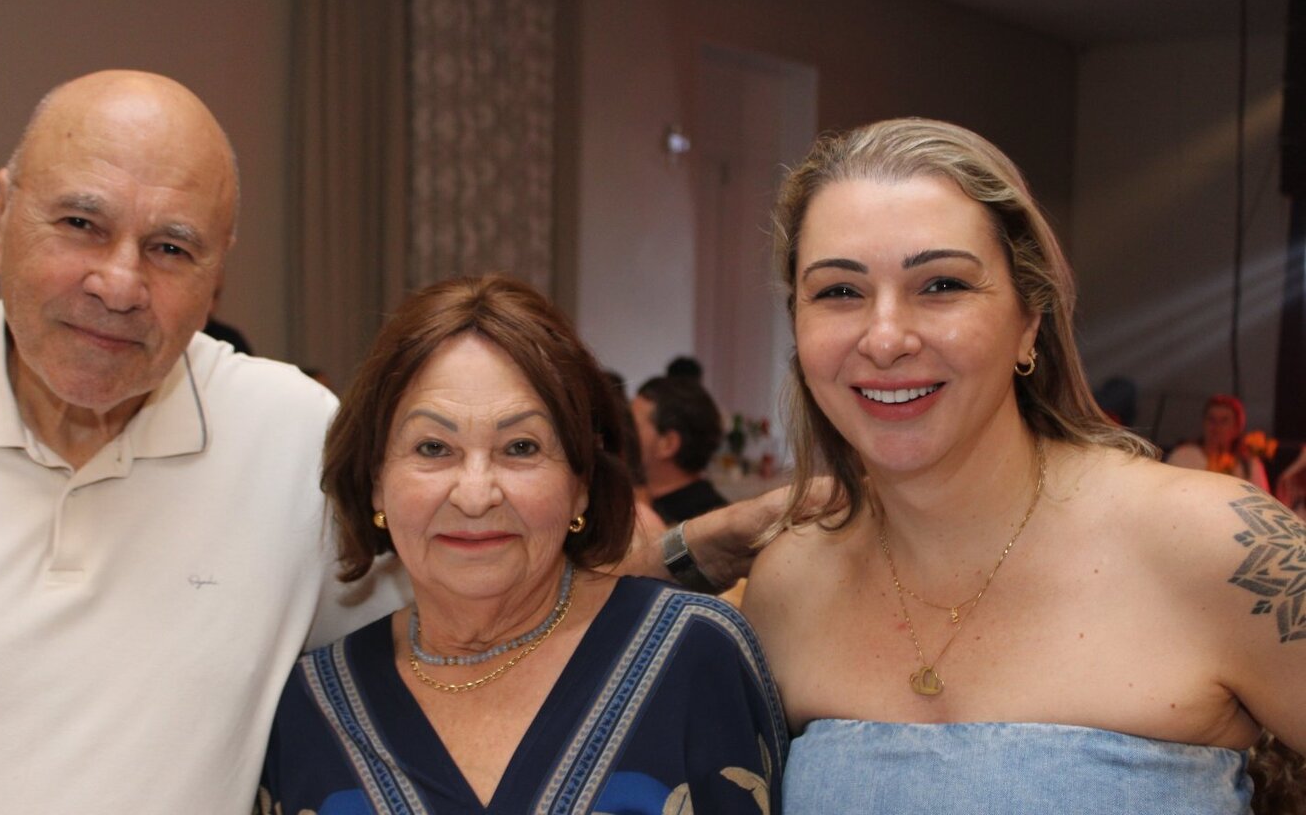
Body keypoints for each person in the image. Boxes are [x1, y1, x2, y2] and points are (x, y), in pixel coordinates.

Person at [0, 70, 409, 813]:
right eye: (80, 224)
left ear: (217, 276)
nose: (119, 284)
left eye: (170, 248)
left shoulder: (295, 442)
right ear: (2, 219)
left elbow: (441, 654)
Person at [740, 118, 1306, 812]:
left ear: (1028, 319)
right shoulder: (788, 586)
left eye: (941, 284)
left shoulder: (1216, 543)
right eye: (839, 292)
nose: (885, 338)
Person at [258, 275, 785, 814]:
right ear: (376, 481)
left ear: (580, 483)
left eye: (520, 447)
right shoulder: (313, 706)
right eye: (434, 447)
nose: (475, 494)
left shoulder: (695, 654)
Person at [633, 376, 730, 524]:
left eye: (631, 425)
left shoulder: (705, 524)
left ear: (668, 444)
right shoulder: (638, 498)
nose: (622, 433)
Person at [1167, 394, 1271, 492]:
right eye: (1211, 419)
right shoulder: (1183, 456)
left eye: (1224, 421)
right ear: (1203, 423)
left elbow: (1263, 501)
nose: (1216, 426)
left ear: (1237, 428)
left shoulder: (1249, 464)